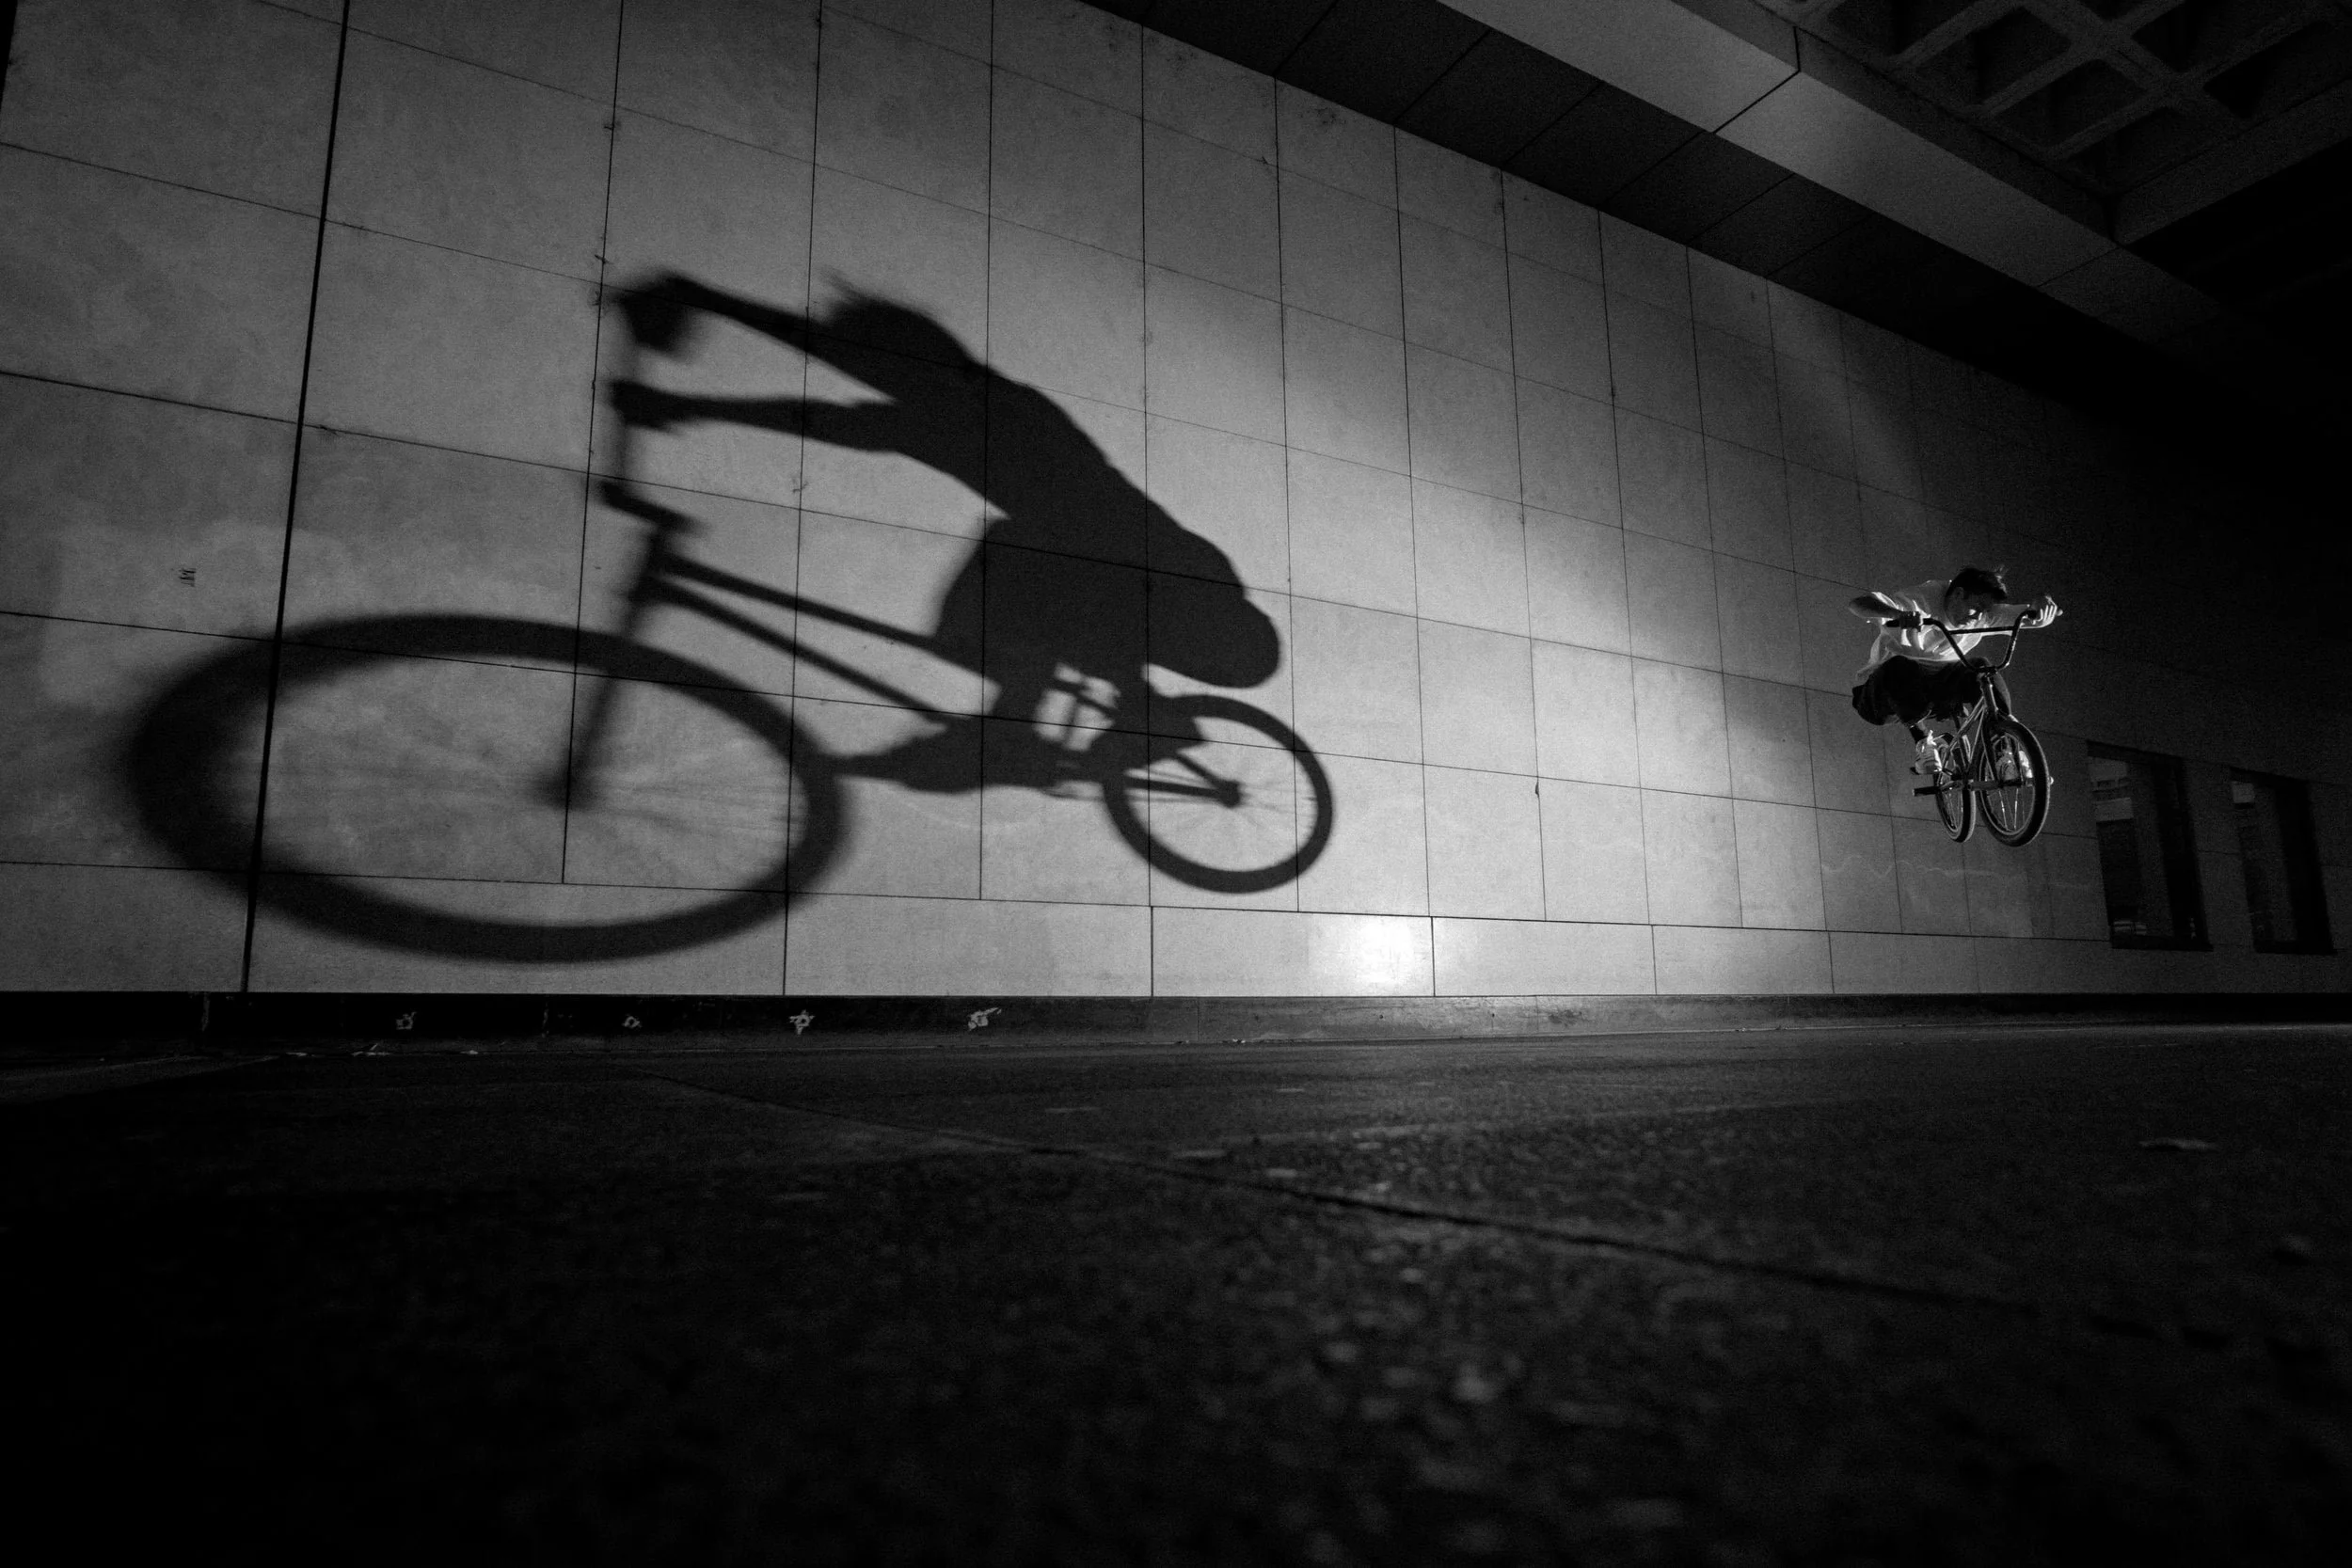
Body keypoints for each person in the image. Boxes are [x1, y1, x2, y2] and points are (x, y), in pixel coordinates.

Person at [1849, 566, 2059, 773]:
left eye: (1985, 611)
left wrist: (2042, 601)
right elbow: (1858, 604)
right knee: (1901, 666)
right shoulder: (1921, 600)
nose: (1978, 617)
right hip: (1881, 699)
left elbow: (2035, 615)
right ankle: (1923, 742)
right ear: (1959, 594)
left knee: (1982, 666)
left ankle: (2004, 749)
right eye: (1976, 608)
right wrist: (1897, 614)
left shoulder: (1984, 614)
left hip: (1937, 692)